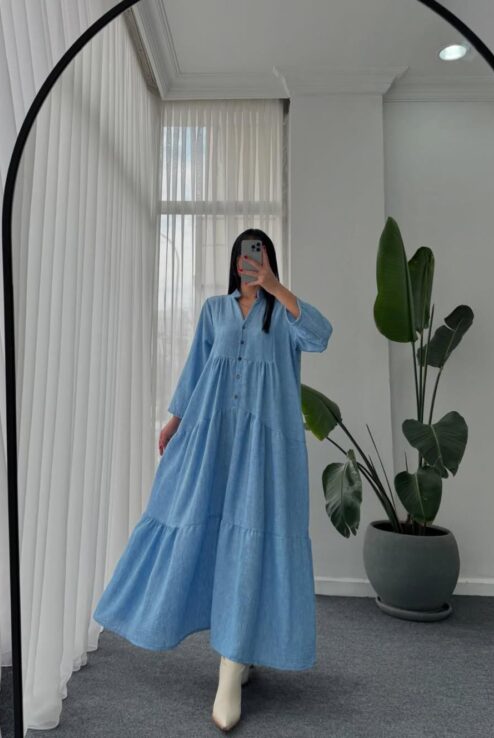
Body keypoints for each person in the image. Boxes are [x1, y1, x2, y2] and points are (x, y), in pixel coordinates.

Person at [93, 228, 333, 731]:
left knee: (251, 540)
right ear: (234, 261)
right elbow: (195, 371)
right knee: (202, 527)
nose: (251, 263)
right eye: (246, 256)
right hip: (214, 440)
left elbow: (321, 334)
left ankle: (232, 665)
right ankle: (233, 653)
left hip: (266, 451)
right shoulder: (214, 311)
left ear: (269, 261)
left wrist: (275, 287)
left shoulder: (282, 315)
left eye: (259, 255)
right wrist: (174, 421)